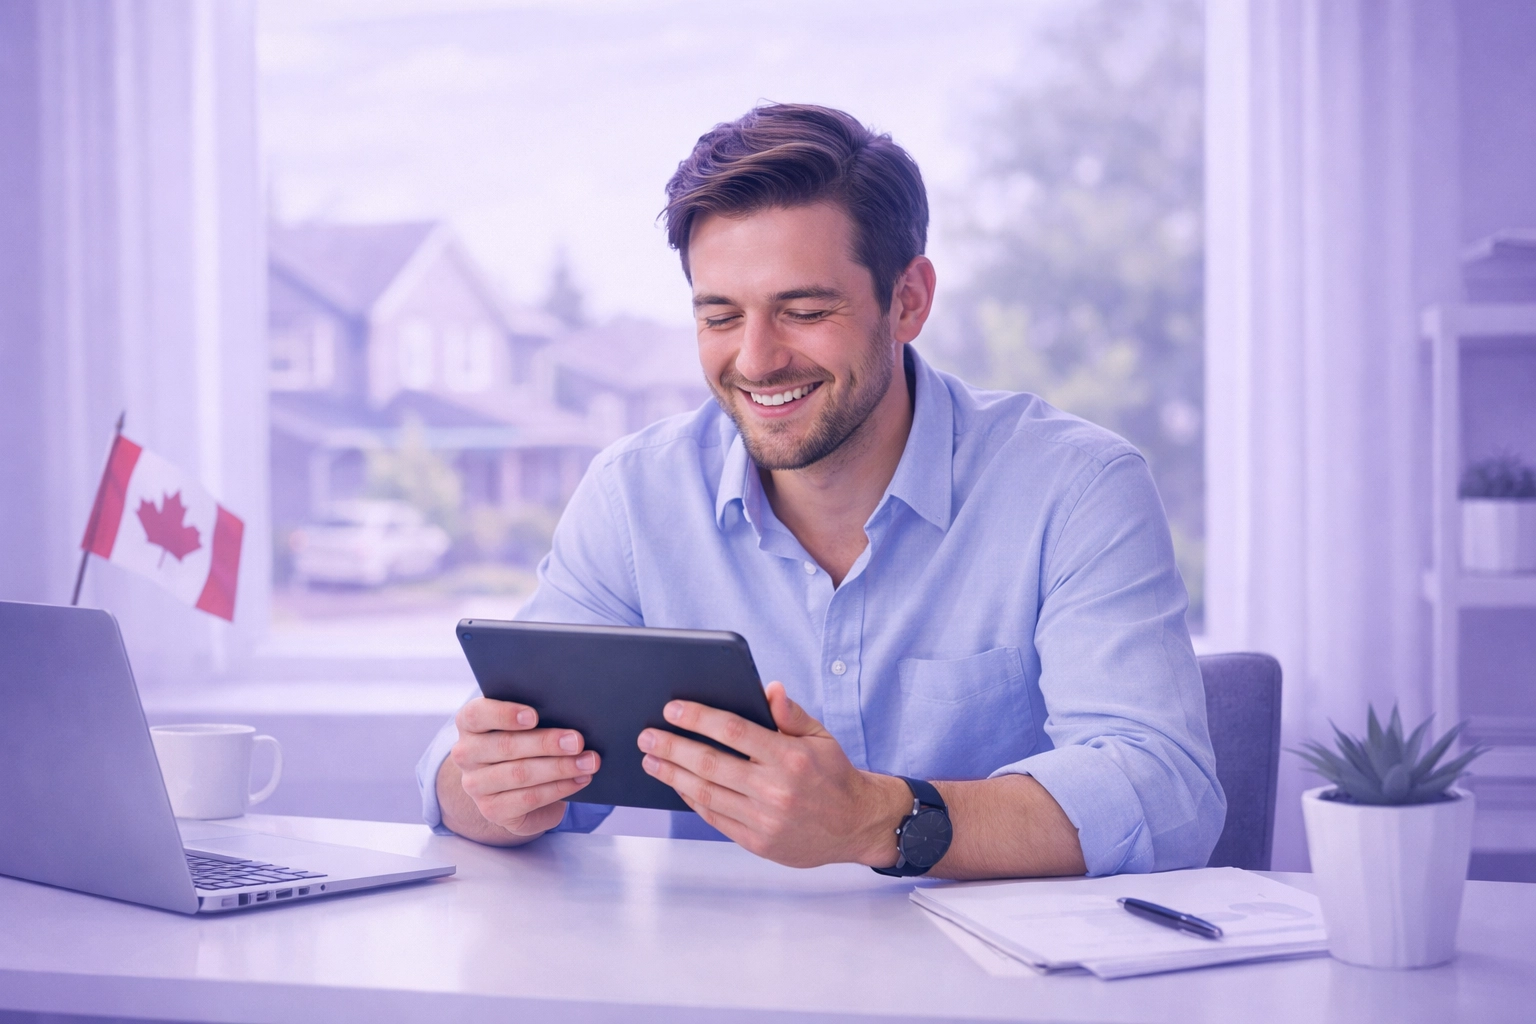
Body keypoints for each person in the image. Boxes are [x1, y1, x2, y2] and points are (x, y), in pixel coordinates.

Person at [416, 103, 1224, 879]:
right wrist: (485, 788)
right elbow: (468, 785)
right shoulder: (635, 497)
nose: (758, 360)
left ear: (908, 300)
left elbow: (1167, 793)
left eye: (802, 310)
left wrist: (876, 820)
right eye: (720, 316)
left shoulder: (1076, 489)